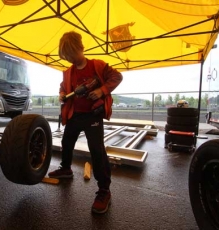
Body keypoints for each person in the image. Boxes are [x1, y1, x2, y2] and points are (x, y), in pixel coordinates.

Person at [48, 31, 123, 214]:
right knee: (66, 142)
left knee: (97, 150)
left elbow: (117, 77)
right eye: (67, 57)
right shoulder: (68, 72)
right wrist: (61, 95)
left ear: (80, 48)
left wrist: (102, 91)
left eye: (72, 55)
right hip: (75, 114)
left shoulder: (97, 65)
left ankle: (104, 190)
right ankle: (66, 169)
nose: (70, 60)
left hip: (92, 115)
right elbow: (62, 87)